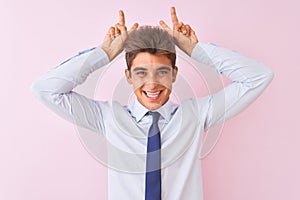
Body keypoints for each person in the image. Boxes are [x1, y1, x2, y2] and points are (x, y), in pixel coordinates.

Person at [31, 7, 274, 200]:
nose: (152, 83)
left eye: (161, 72)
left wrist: (197, 50)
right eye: (141, 73)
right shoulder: (107, 117)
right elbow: (45, 89)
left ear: (174, 74)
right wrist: (103, 53)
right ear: (128, 76)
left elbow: (258, 77)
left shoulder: (197, 114)